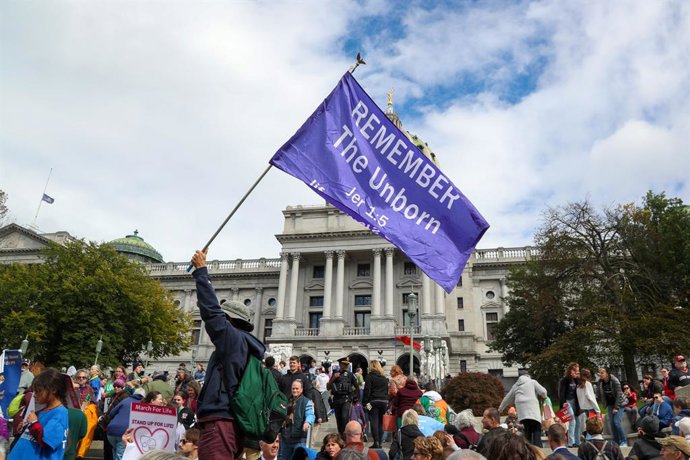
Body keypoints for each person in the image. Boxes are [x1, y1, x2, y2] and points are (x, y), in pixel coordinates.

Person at [190, 248, 266, 460]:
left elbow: (211, 313)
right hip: (231, 421)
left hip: (221, 420)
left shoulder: (232, 340)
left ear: (229, 320)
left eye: (224, 318)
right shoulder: (244, 346)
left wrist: (201, 272)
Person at [8, 368, 69, 460]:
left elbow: (47, 441)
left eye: (38, 391)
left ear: (53, 390)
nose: (35, 394)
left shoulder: (60, 413)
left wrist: (33, 424)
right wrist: (26, 426)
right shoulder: (44, 410)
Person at [498, 370, 548, 447]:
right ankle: (539, 454)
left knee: (526, 435)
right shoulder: (532, 382)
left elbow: (507, 398)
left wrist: (500, 409)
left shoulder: (516, 386)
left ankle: (527, 453)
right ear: (528, 376)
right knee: (536, 434)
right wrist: (544, 397)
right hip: (534, 413)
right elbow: (543, 392)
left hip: (523, 415)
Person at [279, 379, 314, 460]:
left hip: (300, 439)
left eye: (297, 388)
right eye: (293, 388)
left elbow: (310, 414)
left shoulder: (306, 402)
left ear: (301, 390)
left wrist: (307, 422)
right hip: (286, 438)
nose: (295, 390)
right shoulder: (286, 401)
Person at [106, 388, 144, 460]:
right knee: (120, 454)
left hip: (111, 430)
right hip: (124, 432)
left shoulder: (125, 400)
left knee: (116, 450)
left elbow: (111, 413)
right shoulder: (142, 404)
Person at [597, 367, 629, 448]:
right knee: (611, 423)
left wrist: (616, 407)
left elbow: (618, 395)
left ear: (607, 373)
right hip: (610, 404)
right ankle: (616, 442)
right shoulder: (601, 382)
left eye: (602, 373)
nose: (600, 374)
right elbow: (600, 393)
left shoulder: (614, 380)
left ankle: (624, 441)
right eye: (599, 373)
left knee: (617, 422)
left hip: (620, 403)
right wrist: (604, 403)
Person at [328, 357, 358, 435]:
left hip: (346, 399)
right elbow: (328, 387)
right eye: (345, 364)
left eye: (347, 364)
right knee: (338, 419)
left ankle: (345, 435)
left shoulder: (350, 374)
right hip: (336, 399)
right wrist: (333, 378)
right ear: (340, 364)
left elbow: (356, 386)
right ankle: (341, 436)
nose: (346, 365)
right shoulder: (335, 374)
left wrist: (355, 398)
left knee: (344, 417)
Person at [363, 359, 389, 448]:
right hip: (384, 402)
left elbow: (367, 390)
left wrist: (365, 402)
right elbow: (386, 391)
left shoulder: (369, 376)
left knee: (374, 421)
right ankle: (380, 442)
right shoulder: (384, 378)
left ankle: (376, 442)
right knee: (381, 423)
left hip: (373, 401)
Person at [558, 362, 582, 448]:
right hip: (567, 402)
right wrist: (563, 402)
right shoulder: (565, 380)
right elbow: (561, 392)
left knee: (578, 421)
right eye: (576, 371)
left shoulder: (576, 380)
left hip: (575, 402)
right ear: (571, 371)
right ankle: (571, 442)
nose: (577, 373)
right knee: (572, 420)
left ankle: (577, 442)